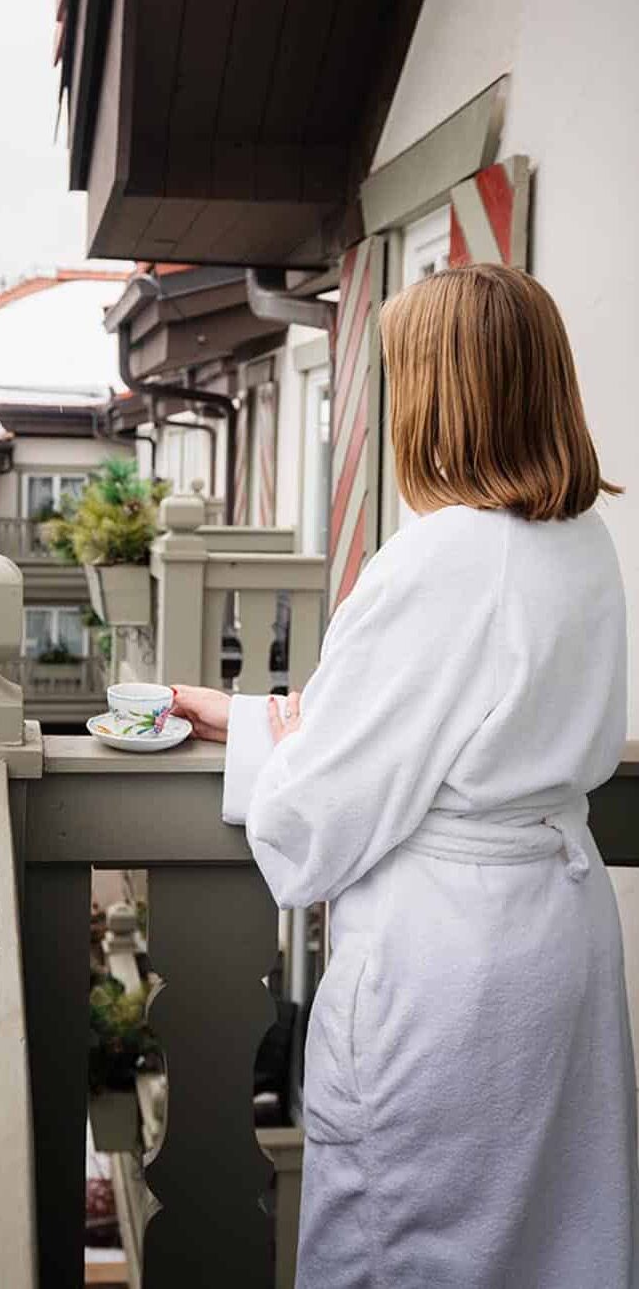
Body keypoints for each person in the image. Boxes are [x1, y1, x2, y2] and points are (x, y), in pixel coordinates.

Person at [172, 264, 638, 1289]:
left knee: (411, 1249)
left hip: (451, 980)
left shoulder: (439, 562)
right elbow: (452, 736)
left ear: (437, 395)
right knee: (547, 1247)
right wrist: (267, 719)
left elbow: (314, 822)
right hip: (557, 935)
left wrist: (270, 743)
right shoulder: (582, 545)